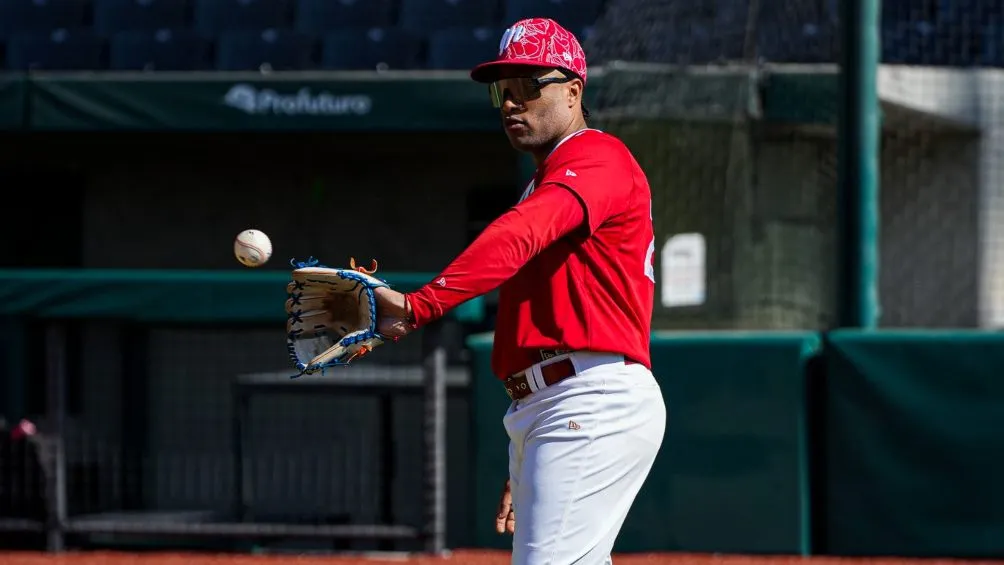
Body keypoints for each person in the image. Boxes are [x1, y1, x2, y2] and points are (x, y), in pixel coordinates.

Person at [374, 17, 667, 565]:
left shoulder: (597, 157)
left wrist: (420, 304)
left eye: (529, 86)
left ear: (575, 91)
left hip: (588, 398)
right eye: (501, 90)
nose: (512, 103)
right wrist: (534, 455)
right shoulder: (550, 175)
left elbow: (519, 234)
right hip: (553, 405)